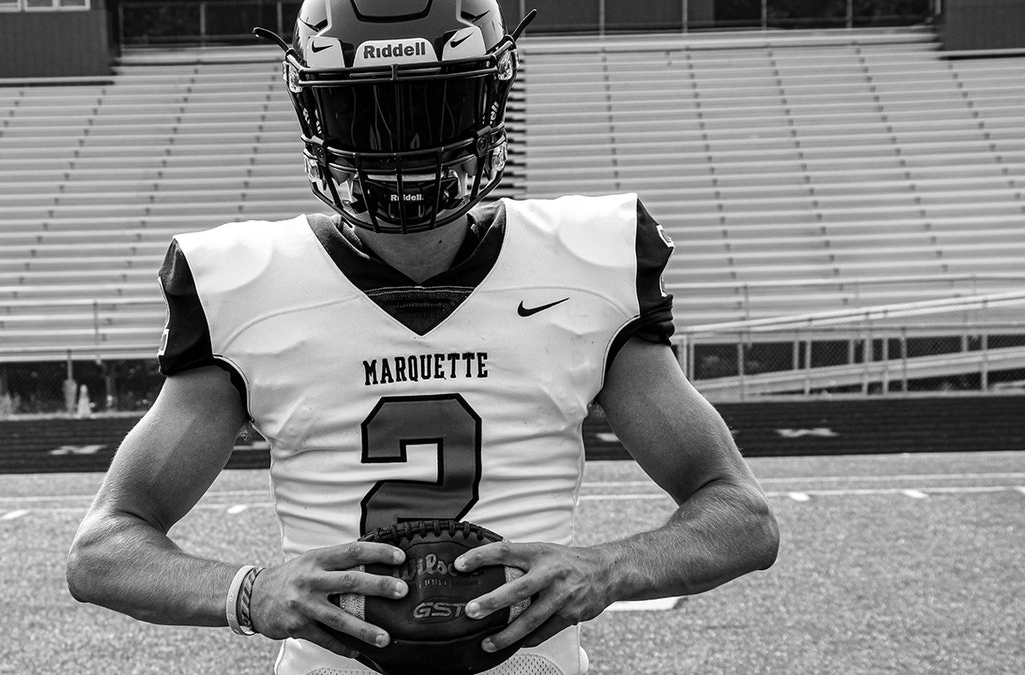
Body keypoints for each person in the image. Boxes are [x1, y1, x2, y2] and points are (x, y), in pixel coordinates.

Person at [66, 1, 780, 673]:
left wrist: (608, 566)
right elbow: (103, 549)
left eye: (434, 103)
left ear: (491, 99)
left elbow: (742, 516)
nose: (401, 141)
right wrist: (250, 590)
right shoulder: (245, 281)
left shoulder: (589, 263)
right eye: (365, 109)